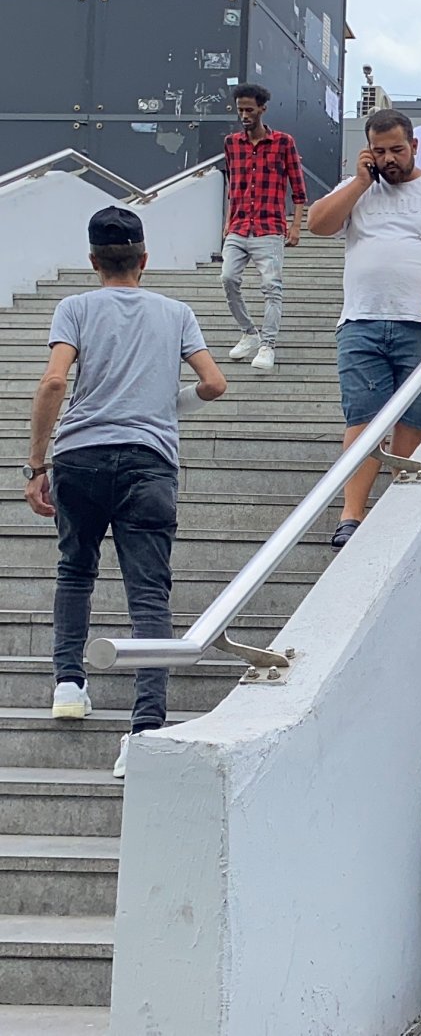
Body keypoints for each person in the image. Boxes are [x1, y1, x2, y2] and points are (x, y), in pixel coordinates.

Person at [25, 207, 228, 779]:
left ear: (94, 261)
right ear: (144, 258)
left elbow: (54, 381)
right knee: (148, 593)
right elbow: (214, 383)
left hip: (80, 458)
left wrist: (34, 466)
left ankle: (68, 683)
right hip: (149, 462)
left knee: (75, 570)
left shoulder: (76, 308)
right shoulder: (177, 312)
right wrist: (168, 404)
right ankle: (144, 727)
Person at [306, 109, 421, 549]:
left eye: (397, 149)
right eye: (379, 151)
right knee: (362, 418)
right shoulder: (358, 191)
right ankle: (352, 514)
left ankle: (400, 513)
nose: (389, 159)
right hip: (361, 320)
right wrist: (361, 182)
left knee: (416, 418)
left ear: (414, 146)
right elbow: (318, 225)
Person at [220, 83, 309, 374]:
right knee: (228, 278)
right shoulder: (232, 143)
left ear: (262, 109)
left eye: (249, 109)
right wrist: (227, 221)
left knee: (272, 288)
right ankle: (249, 333)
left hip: (270, 226)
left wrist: (295, 226)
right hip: (239, 224)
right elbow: (232, 185)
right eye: (240, 109)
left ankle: (268, 344)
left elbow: (298, 189)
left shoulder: (283, 142)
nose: (244, 115)